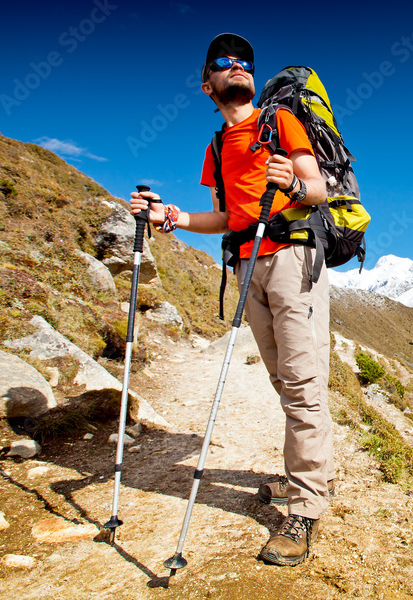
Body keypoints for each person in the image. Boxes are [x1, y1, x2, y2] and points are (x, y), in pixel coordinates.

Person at [130, 33, 334, 567]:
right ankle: (299, 478)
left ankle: (306, 509)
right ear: (208, 85)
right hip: (247, 264)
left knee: (304, 383)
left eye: (244, 60)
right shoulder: (217, 147)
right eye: (225, 62)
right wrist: (171, 218)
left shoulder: (280, 121)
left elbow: (318, 190)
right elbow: (224, 217)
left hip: (292, 258)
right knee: (283, 380)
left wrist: (292, 180)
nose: (238, 66)